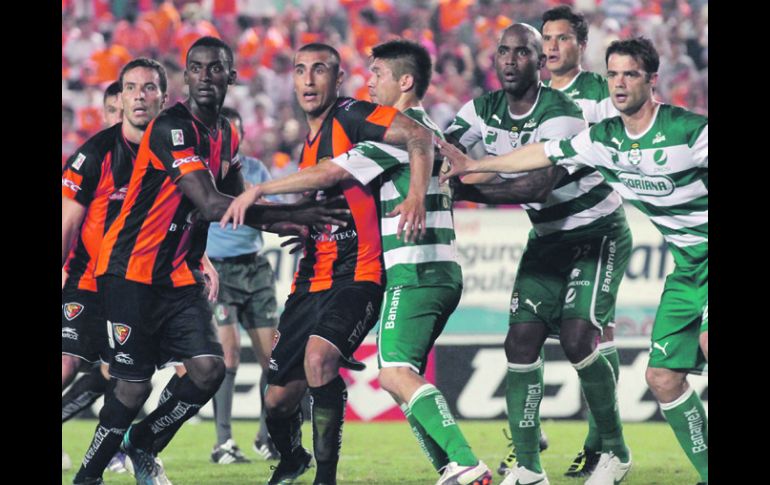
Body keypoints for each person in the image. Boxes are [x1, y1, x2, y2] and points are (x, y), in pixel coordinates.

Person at [71, 37, 349, 485]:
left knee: (208, 369)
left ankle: (143, 442)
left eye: (215, 68)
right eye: (196, 69)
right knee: (133, 384)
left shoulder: (227, 132)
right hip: (131, 272)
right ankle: (88, 475)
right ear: (186, 77)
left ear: (230, 76)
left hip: (180, 275)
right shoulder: (171, 130)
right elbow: (210, 203)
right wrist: (295, 213)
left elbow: (240, 202)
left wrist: (293, 226)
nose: (205, 77)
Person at [439, 36, 708, 485]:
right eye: (613, 75)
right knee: (662, 377)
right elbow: (541, 154)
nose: (620, 84)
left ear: (653, 81)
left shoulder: (688, 131)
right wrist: (472, 166)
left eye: (631, 75)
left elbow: (535, 183)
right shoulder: (604, 139)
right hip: (686, 269)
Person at [223, 39, 492, 485]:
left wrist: (258, 190)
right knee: (395, 379)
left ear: (404, 82)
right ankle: (449, 466)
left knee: (394, 373)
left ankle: (465, 463)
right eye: (300, 70)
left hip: (412, 267)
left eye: (379, 75)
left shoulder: (390, 133)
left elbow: (335, 171)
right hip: (423, 266)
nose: (372, 83)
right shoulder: (423, 133)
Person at [442, 23, 633, 485]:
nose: (510, 60)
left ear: (539, 62)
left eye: (522, 52)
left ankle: (615, 452)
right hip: (547, 237)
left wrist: (464, 189)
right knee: (520, 341)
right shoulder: (481, 108)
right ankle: (528, 467)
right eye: (503, 52)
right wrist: (443, 169)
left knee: (575, 339)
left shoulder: (560, 110)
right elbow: (445, 153)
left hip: (597, 232)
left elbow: (536, 183)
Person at [62, 59, 170, 475]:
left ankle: (126, 452)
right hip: (88, 278)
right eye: (127, 93)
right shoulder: (95, 153)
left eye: (146, 89)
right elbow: (70, 219)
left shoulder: (168, 153)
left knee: (129, 375)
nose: (134, 101)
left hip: (139, 283)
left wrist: (203, 261)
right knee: (70, 362)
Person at [538, 5, 624, 478]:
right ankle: (530, 435)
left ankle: (601, 443)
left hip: (596, 227)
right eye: (546, 38)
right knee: (527, 334)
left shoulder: (599, 92)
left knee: (593, 334)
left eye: (562, 39)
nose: (551, 47)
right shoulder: (532, 94)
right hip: (548, 233)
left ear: (580, 46)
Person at [206, 106, 281, 464]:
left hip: (254, 268)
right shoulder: (201, 170)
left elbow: (270, 212)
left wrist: (261, 201)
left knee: (273, 359)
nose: (229, 140)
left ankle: (267, 438)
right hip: (219, 272)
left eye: (234, 133)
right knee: (229, 354)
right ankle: (223, 442)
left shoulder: (255, 170)